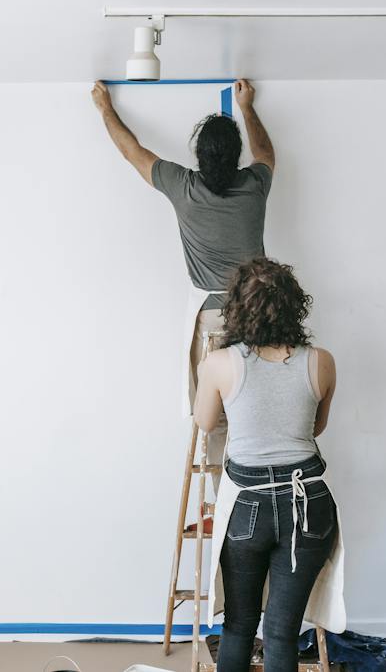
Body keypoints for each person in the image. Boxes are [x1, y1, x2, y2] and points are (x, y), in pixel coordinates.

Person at [90, 79, 276, 509]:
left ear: (199, 157)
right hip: (258, 318)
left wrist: (105, 107)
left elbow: (132, 151)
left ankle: (225, 503)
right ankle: (254, 498)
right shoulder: (254, 187)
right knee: (253, 410)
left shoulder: (183, 186)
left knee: (213, 416)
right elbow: (267, 154)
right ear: (235, 158)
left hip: (213, 322)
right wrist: (247, 107)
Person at [194, 257, 345, 672]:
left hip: (248, 506)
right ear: (294, 305)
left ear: (237, 308)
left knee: (240, 626)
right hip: (308, 504)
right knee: (281, 631)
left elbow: (205, 423)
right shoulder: (322, 361)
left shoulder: (220, 364)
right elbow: (316, 426)